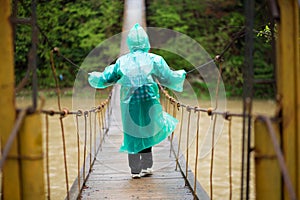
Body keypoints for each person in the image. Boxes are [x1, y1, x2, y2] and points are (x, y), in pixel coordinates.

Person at [88, 23, 186, 178]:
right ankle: (147, 166)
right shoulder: (155, 59)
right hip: (149, 100)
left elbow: (108, 78)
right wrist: (181, 74)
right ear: (146, 42)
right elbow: (168, 77)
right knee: (148, 130)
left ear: (129, 44)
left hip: (130, 102)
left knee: (132, 133)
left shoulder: (122, 61)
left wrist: (94, 77)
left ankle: (135, 170)